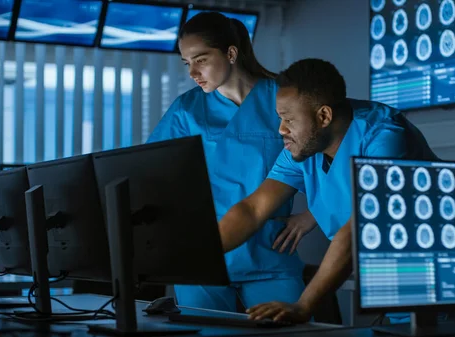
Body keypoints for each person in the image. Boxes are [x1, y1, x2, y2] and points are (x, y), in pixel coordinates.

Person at [215, 58, 438, 322]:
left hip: (443, 282)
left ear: (323, 116)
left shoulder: (384, 138)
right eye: (279, 119)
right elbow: (253, 209)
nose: (281, 130)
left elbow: (358, 228)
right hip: (391, 284)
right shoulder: (304, 147)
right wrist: (199, 254)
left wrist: (303, 306)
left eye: (288, 120)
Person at [146, 12, 316, 312]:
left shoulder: (284, 98)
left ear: (231, 53)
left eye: (201, 60)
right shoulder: (187, 110)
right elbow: (152, 174)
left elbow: (332, 161)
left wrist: (312, 217)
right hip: (203, 257)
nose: (193, 73)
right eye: (187, 63)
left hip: (269, 254)